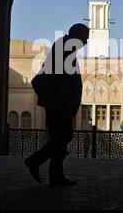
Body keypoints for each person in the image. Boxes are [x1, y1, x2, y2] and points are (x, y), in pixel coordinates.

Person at [25, 23, 89, 186]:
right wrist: (66, 103)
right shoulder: (64, 48)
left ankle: (55, 175)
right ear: (77, 36)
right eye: (85, 38)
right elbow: (60, 81)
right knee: (62, 138)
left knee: (61, 139)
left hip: (60, 104)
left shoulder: (65, 47)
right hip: (59, 105)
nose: (86, 42)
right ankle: (36, 162)